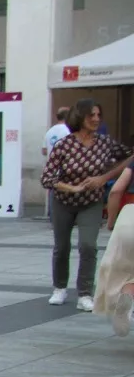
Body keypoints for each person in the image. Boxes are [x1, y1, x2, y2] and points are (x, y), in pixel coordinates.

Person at [41, 99, 133, 311]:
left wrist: (105, 178)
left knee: (88, 246)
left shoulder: (105, 143)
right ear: (79, 116)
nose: (96, 119)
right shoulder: (64, 145)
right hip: (63, 202)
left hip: (91, 202)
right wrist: (70, 188)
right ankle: (59, 287)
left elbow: (130, 157)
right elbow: (47, 178)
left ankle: (84, 293)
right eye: (91, 115)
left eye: (98, 115)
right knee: (62, 246)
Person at [94, 204, 134, 337]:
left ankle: (127, 300)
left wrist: (110, 221)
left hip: (129, 218)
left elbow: (116, 191)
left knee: (126, 274)